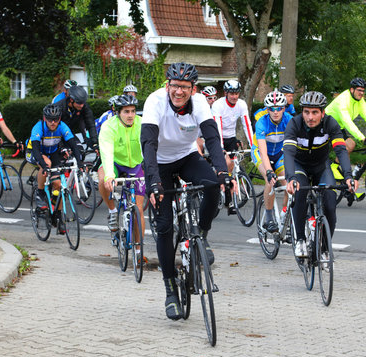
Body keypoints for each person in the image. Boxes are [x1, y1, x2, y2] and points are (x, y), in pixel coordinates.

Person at [141, 62, 234, 321]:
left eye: (184, 87)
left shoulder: (200, 104)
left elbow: (213, 139)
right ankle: (170, 289)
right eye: (174, 86)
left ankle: (202, 233)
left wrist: (222, 171)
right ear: (167, 85)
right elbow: (148, 144)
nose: (178, 91)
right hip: (159, 162)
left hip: (186, 155)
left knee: (214, 185)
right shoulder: (155, 102)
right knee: (164, 226)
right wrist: (153, 182)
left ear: (193, 89)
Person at [284, 91, 355, 257]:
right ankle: (300, 239)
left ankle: (323, 247)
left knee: (330, 202)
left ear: (323, 113)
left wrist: (348, 176)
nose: (310, 117)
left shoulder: (331, 124)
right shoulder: (294, 124)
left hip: (321, 166)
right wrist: (291, 178)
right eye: (306, 112)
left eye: (315, 112)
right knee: (300, 192)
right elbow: (288, 153)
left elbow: (341, 150)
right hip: (299, 165)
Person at [27, 104, 84, 234]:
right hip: (34, 152)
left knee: (58, 185)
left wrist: (80, 162)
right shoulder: (38, 127)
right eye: (49, 119)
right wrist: (44, 165)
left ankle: (57, 216)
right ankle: (40, 193)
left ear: (59, 119)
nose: (53, 123)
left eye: (56, 119)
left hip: (52, 152)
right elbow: (35, 149)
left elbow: (73, 145)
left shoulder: (62, 126)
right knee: (46, 163)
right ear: (44, 118)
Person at [98, 94, 145, 237]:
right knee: (102, 178)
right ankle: (112, 211)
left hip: (136, 165)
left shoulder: (142, 124)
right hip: (115, 163)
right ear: (118, 113)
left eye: (133, 111)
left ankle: (138, 251)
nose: (130, 115)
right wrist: (109, 176)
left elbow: (150, 147)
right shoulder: (109, 126)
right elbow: (106, 152)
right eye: (126, 111)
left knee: (138, 209)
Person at [251, 90, 292, 232]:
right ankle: (268, 216)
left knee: (289, 183)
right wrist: (269, 171)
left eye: (279, 108)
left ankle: (285, 214)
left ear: (284, 108)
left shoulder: (289, 120)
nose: (276, 112)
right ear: (267, 109)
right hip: (261, 153)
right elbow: (262, 151)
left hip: (279, 154)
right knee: (271, 180)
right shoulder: (262, 123)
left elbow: (294, 146)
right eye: (272, 109)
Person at [325, 77, 366, 155]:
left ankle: (335, 166)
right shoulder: (343, 100)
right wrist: (362, 138)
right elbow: (347, 121)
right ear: (352, 90)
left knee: (350, 145)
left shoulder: (360, 101)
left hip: (338, 127)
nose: (362, 93)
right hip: (325, 125)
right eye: (359, 90)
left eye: (363, 91)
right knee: (323, 151)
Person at [212, 79, 253, 162]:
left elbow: (247, 125)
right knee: (223, 164)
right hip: (218, 137)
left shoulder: (241, 104)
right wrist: (221, 147)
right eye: (231, 94)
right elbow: (217, 127)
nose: (234, 97)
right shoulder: (218, 105)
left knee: (234, 164)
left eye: (236, 94)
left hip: (231, 138)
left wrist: (253, 146)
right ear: (225, 93)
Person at [54, 85, 98, 153]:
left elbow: (90, 125)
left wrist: (95, 142)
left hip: (70, 133)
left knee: (80, 151)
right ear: (71, 100)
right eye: (79, 103)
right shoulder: (59, 107)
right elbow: (53, 128)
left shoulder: (83, 107)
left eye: (83, 102)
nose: (82, 105)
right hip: (56, 135)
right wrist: (62, 146)